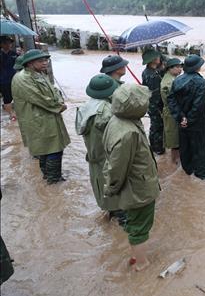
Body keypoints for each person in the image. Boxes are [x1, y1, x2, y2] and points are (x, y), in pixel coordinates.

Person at [102, 84, 160, 272]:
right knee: (140, 226)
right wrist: (111, 188)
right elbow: (117, 168)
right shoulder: (128, 132)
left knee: (135, 222)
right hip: (138, 188)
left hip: (134, 185)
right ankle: (141, 263)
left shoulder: (117, 120)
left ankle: (135, 256)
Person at [11, 49, 70, 183]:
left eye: (46, 60)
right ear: (30, 63)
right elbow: (38, 98)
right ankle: (54, 180)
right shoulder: (23, 78)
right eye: (41, 61)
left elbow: (54, 91)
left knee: (47, 147)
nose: (45, 63)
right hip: (37, 119)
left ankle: (48, 178)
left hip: (47, 117)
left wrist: (59, 102)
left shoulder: (38, 74)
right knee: (52, 149)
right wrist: (59, 107)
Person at [75, 74, 126, 225]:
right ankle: (121, 223)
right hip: (108, 157)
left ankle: (111, 216)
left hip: (94, 156)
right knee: (119, 193)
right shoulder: (108, 112)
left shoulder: (85, 107)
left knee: (102, 187)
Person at [167, 54, 205, 179]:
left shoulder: (177, 80)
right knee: (200, 147)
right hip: (197, 122)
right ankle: (202, 175)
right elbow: (199, 105)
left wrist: (181, 118)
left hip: (182, 122)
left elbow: (171, 100)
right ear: (198, 67)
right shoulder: (202, 83)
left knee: (185, 146)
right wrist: (188, 119)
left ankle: (187, 170)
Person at [141, 49, 165, 155]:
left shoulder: (150, 71)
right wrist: (159, 109)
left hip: (150, 104)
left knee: (155, 125)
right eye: (157, 57)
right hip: (155, 105)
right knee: (157, 126)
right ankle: (157, 148)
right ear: (153, 60)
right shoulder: (152, 75)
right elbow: (156, 94)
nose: (160, 58)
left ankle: (154, 146)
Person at [160, 57, 182, 164]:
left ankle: (176, 163)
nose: (180, 69)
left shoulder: (172, 78)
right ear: (170, 68)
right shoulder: (168, 82)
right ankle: (175, 163)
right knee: (174, 140)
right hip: (171, 112)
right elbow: (173, 100)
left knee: (176, 138)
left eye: (180, 67)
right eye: (177, 67)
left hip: (173, 111)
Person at [0, 36, 19, 120]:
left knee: (17, 96)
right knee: (7, 98)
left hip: (15, 79)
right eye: (5, 43)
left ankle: (18, 112)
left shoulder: (15, 55)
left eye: (9, 43)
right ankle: (11, 114)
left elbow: (20, 65)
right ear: (1, 44)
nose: (8, 45)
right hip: (3, 80)